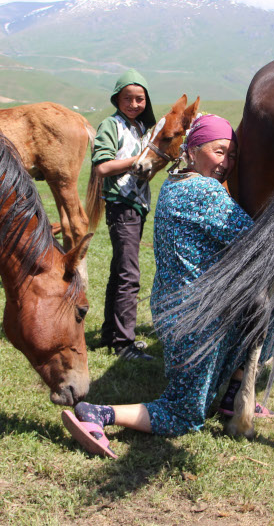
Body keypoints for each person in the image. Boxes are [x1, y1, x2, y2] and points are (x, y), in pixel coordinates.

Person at [62, 114, 274, 458]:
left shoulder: (173, 184)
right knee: (184, 414)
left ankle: (231, 396)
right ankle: (99, 414)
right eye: (219, 152)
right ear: (191, 150)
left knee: (260, 307)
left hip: (172, 314)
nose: (226, 163)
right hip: (198, 322)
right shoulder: (204, 191)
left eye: (232, 155)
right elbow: (256, 243)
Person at [93, 69, 157, 361]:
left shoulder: (140, 128)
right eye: (127, 98)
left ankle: (110, 335)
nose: (134, 104)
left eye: (139, 99)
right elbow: (102, 167)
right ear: (117, 99)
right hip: (121, 205)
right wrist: (137, 160)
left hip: (136, 206)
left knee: (120, 271)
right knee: (129, 275)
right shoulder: (111, 125)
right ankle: (124, 344)